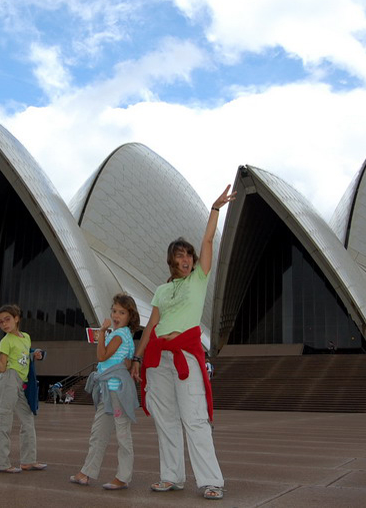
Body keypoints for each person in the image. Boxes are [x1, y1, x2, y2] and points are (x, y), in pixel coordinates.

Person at [130, 185, 235, 501]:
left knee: (195, 418)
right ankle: (171, 477)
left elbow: (207, 241)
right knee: (166, 420)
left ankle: (211, 481)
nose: (186, 258)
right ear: (172, 261)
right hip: (157, 357)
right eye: (180, 255)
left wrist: (214, 210)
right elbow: (151, 325)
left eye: (189, 254)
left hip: (185, 354)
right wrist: (137, 359)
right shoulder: (162, 291)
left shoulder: (199, 279)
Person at [70, 293, 139, 491]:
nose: (116, 315)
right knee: (99, 431)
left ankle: (123, 477)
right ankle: (86, 472)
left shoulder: (118, 335)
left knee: (121, 433)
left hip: (116, 390)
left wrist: (101, 331)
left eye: (122, 312)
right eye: (114, 311)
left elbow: (101, 356)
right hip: (109, 389)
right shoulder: (124, 335)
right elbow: (125, 362)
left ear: (130, 316)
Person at [0, 304, 47, 473]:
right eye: (0, 322)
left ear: (17, 319)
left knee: (28, 420)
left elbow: (23, 355)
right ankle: (1, 463)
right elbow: (2, 368)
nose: (4, 324)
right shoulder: (6, 341)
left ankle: (28, 460)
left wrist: (33, 354)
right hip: (9, 379)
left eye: (7, 319)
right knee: (4, 421)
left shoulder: (26, 337)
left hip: (21, 382)